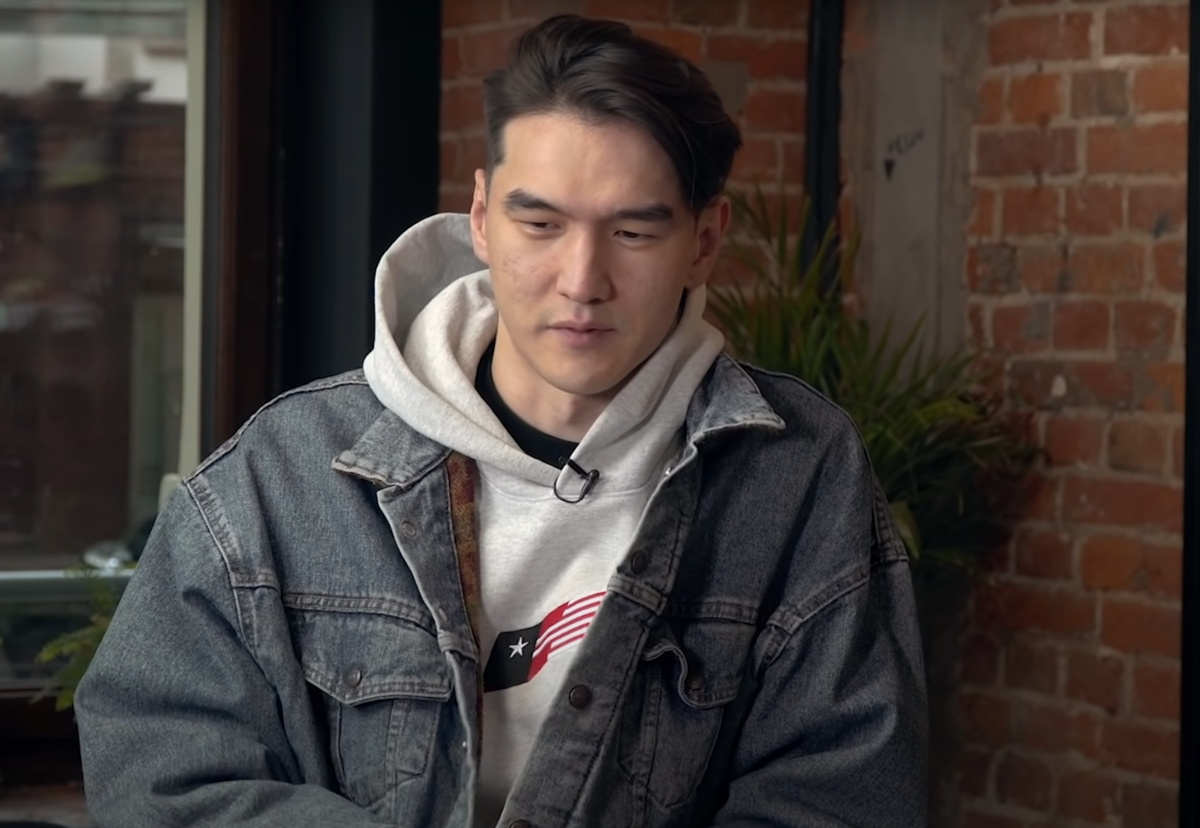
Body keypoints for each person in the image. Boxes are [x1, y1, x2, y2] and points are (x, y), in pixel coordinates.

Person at [75, 14, 927, 828]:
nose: (581, 281)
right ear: (482, 219)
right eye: (540, 224)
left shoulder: (798, 474)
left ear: (704, 241)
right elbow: (162, 772)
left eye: (633, 233)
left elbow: (840, 797)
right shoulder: (285, 472)